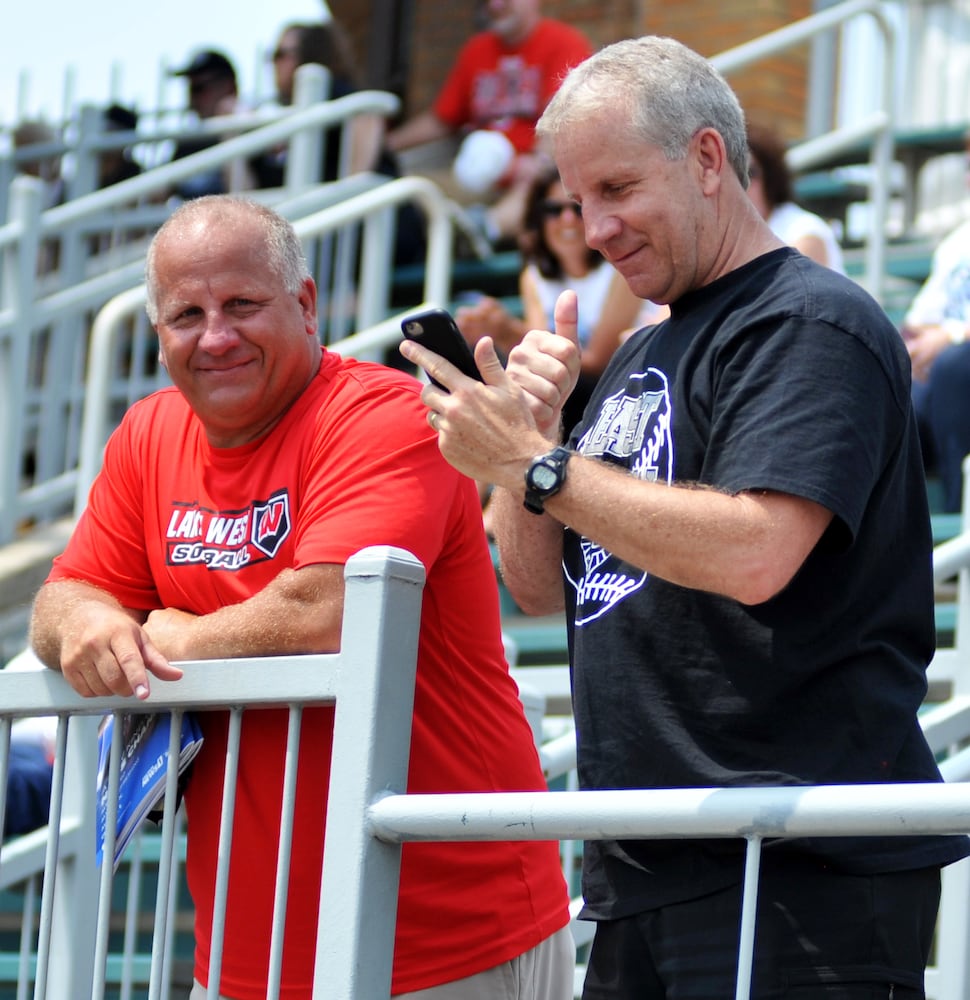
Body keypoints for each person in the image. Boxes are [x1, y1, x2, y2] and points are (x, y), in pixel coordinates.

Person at [399, 35, 970, 999]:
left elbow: (757, 550)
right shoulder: (639, 352)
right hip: (652, 862)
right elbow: (539, 590)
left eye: (618, 190)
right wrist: (532, 445)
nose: (596, 228)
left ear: (708, 159)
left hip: (790, 859)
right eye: (579, 203)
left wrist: (536, 464)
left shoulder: (808, 321)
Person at [28, 196, 573, 998]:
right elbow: (62, 598)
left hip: (445, 937)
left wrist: (163, 637)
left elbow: (327, 614)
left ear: (307, 305)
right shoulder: (148, 433)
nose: (216, 335)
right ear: (158, 336)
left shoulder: (388, 414)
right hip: (248, 952)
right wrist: (88, 622)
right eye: (187, 313)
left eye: (243, 304)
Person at [455, 163, 662, 437]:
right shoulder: (534, 276)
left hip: (617, 387)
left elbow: (600, 360)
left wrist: (507, 331)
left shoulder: (619, 267)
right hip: (569, 390)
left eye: (576, 209)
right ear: (539, 219)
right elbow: (539, 350)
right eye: (553, 210)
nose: (566, 219)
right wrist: (494, 333)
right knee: (480, 362)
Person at [385, 0, 592, 246]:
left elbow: (561, 117)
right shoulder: (476, 50)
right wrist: (385, 145)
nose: (495, 5)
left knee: (538, 182)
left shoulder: (563, 42)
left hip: (529, 176)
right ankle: (457, 236)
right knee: (408, 186)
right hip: (475, 173)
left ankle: (483, 230)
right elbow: (441, 119)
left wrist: (539, 161)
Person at [251, 20, 426, 266]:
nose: (274, 64)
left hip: (377, 233)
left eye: (281, 55)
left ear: (309, 56)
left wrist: (347, 193)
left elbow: (368, 116)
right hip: (343, 243)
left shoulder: (329, 92)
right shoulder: (282, 119)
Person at [901, 194, 970, 513]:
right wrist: (916, 349)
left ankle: (959, 518)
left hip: (957, 367)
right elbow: (917, 321)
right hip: (940, 373)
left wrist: (951, 336)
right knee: (890, 382)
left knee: (952, 366)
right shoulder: (958, 242)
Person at [746, 120, 846, 273]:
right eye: (734, 175)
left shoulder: (805, 230)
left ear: (771, 177)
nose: (742, 184)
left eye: (750, 173)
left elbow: (798, 291)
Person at [168, 48, 245, 199]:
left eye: (198, 89)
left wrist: (230, 132)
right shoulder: (188, 143)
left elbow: (245, 197)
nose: (192, 100)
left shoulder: (253, 132)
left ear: (229, 87)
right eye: (189, 90)